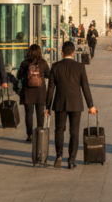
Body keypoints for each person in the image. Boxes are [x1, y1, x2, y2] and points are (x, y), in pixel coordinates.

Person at [46, 41, 96, 169]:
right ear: (73, 52)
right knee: (74, 131)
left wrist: (47, 107)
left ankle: (59, 155)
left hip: (59, 103)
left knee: (59, 129)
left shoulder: (55, 66)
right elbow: (85, 86)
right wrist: (91, 105)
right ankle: (71, 160)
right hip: (76, 103)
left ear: (62, 53)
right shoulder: (80, 67)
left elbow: (50, 88)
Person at [18, 44, 51, 142]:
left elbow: (19, 75)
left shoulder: (25, 63)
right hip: (40, 92)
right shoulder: (43, 63)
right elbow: (48, 75)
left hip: (28, 92)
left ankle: (30, 135)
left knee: (29, 113)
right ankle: (39, 133)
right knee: (40, 114)